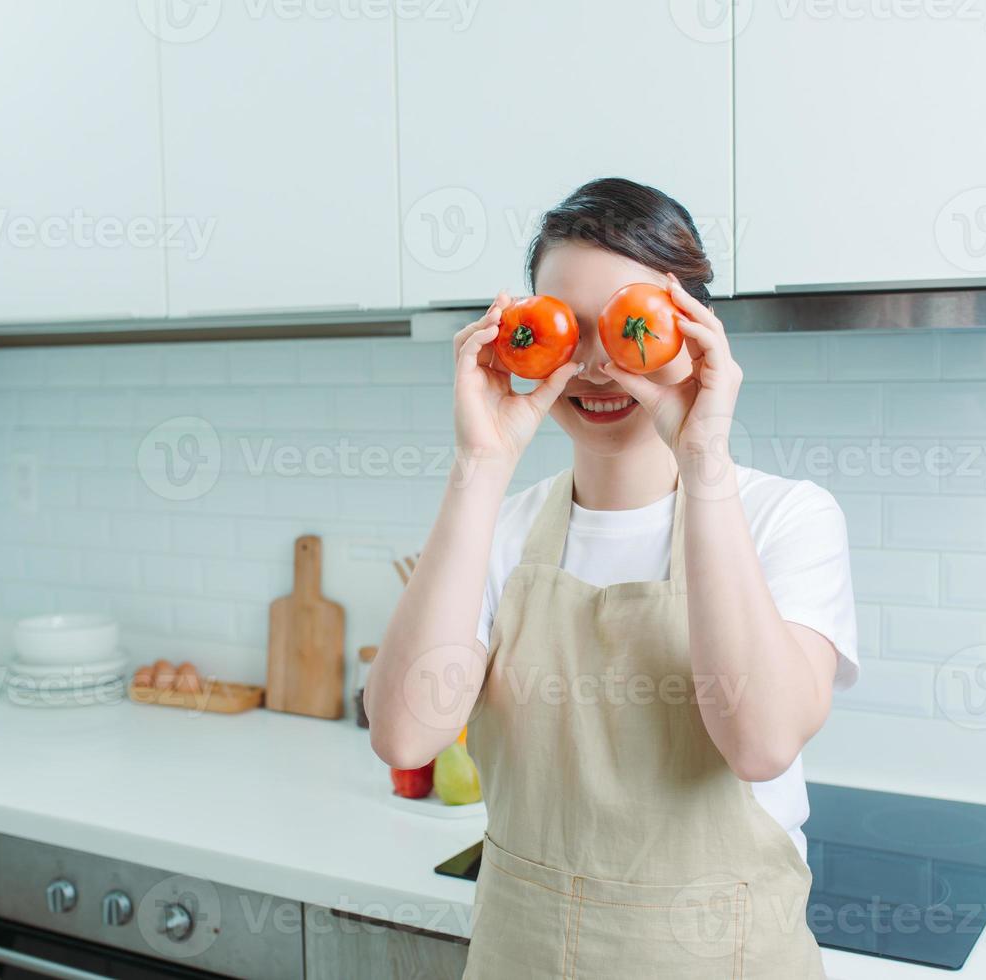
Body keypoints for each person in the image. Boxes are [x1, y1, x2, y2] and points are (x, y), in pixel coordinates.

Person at [367, 177, 858, 977]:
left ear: (691, 331)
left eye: (629, 328)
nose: (596, 365)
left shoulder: (786, 519)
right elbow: (405, 734)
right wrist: (478, 465)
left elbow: (761, 741)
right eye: (563, 330)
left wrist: (703, 457)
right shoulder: (500, 524)